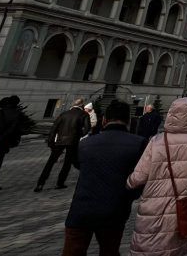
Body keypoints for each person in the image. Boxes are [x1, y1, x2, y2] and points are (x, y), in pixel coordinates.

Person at [127, 97, 187, 256]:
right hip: (183, 203)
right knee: (175, 243)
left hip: (153, 202)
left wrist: (127, 183)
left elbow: (139, 176)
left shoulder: (157, 140)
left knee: (148, 241)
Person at [63, 100, 147, 256]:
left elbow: (78, 165)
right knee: (109, 251)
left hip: (81, 209)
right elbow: (141, 177)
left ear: (104, 120)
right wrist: (129, 196)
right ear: (129, 121)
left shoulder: (86, 143)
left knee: (73, 251)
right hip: (114, 210)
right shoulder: (138, 143)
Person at [36, 98, 90, 192]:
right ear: (81, 105)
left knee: (50, 162)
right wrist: (79, 135)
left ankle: (40, 183)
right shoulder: (84, 114)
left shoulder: (64, 114)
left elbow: (54, 128)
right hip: (73, 141)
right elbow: (87, 128)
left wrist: (51, 141)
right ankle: (60, 182)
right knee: (67, 163)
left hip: (60, 140)